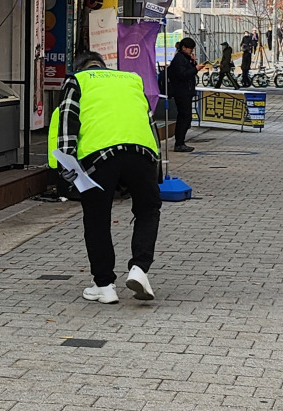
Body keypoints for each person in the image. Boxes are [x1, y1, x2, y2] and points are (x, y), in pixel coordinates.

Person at [56, 51, 162, 304]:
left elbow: (67, 122)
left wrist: (66, 166)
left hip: (100, 157)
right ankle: (139, 268)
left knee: (97, 218)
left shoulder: (77, 80)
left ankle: (104, 285)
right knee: (148, 209)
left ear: (79, 67)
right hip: (142, 153)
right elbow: (149, 122)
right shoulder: (131, 79)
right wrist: (157, 172)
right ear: (104, 66)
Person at [167, 37, 205, 152]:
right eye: (190, 49)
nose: (191, 52)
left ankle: (181, 142)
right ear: (184, 48)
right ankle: (179, 143)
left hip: (186, 91)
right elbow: (182, 75)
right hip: (181, 92)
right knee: (184, 117)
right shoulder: (179, 59)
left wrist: (194, 63)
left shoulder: (185, 58)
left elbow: (188, 71)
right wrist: (195, 69)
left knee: (186, 117)